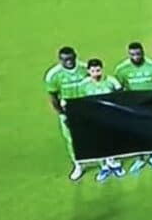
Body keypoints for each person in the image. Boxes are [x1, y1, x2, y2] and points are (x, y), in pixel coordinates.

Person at [114, 42, 152, 173]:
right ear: (129, 54)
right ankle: (141, 158)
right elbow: (119, 89)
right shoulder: (121, 69)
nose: (136, 57)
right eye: (132, 54)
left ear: (143, 52)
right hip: (134, 107)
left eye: (138, 54)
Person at [44, 46, 88, 181]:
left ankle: (103, 162)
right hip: (68, 110)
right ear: (60, 59)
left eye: (70, 58)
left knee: (94, 135)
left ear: (75, 56)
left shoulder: (85, 69)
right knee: (72, 140)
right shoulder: (53, 75)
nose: (68, 61)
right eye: (65, 59)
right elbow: (53, 97)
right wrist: (62, 114)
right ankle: (78, 165)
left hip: (86, 108)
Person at [79, 59, 125, 182]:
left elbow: (120, 96)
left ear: (102, 69)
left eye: (98, 70)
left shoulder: (112, 81)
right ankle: (104, 167)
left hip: (111, 116)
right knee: (99, 142)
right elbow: (82, 102)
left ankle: (115, 165)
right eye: (93, 71)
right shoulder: (83, 85)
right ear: (88, 71)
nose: (96, 73)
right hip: (95, 118)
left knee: (113, 141)